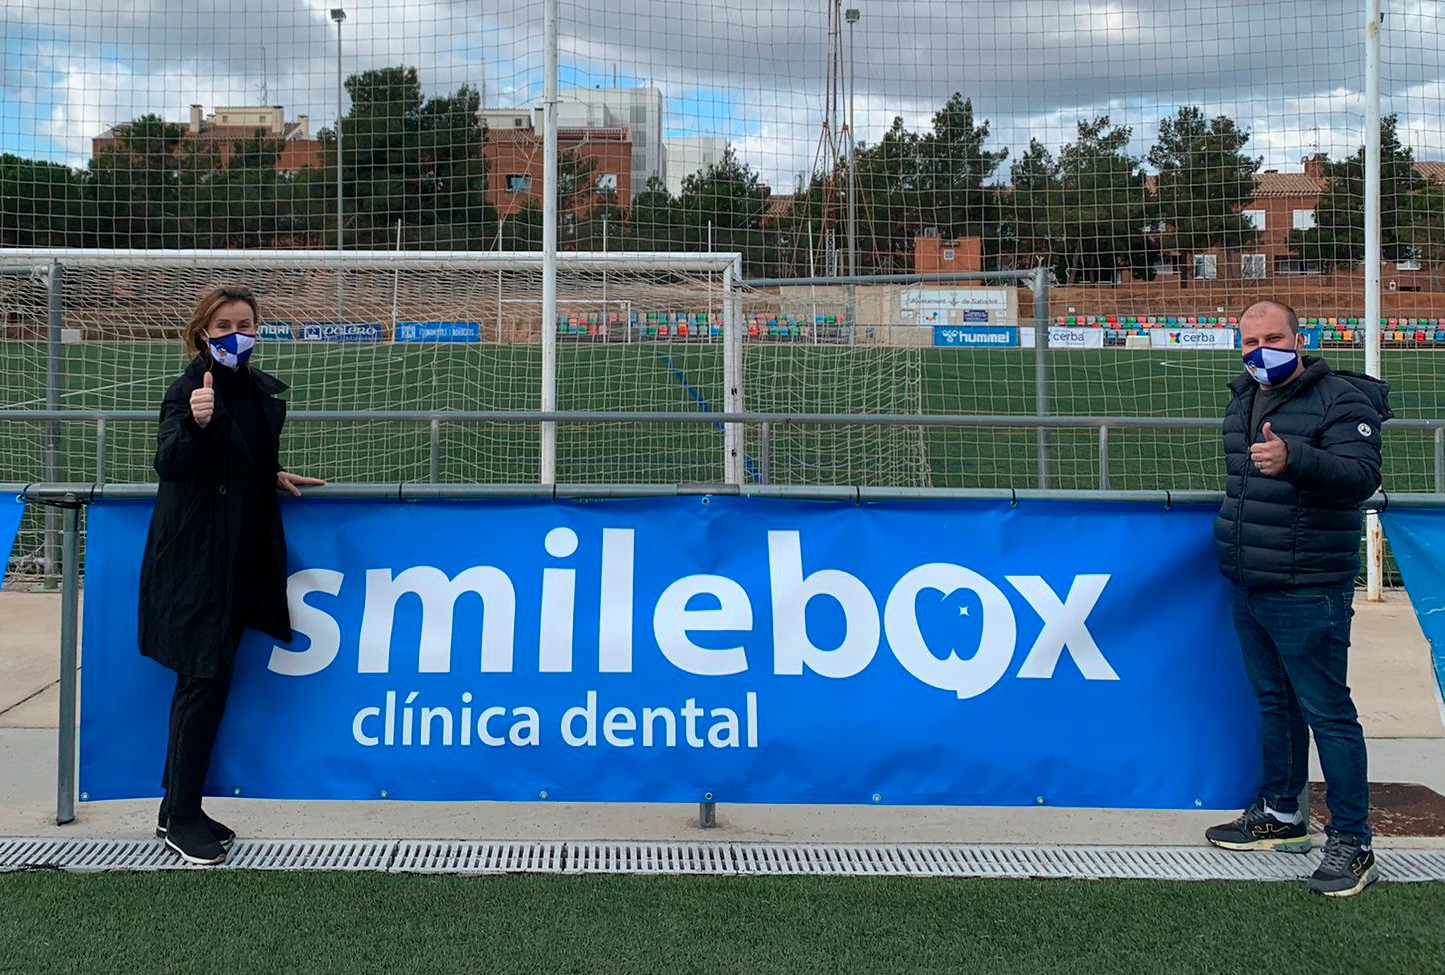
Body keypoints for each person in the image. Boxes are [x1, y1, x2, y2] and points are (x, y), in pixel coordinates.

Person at [1207, 299, 1391, 897]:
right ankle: (1281, 813)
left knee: (1328, 712)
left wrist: (1295, 459)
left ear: (1299, 339)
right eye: (1250, 341)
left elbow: (1360, 478)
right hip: (1251, 579)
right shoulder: (1244, 396)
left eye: (1273, 338)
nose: (1261, 351)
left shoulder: (1342, 399)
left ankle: (1353, 841)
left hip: (1310, 585)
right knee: (1275, 702)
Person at [137, 285, 326, 865]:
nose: (235, 334)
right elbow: (171, 462)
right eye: (223, 326)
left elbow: (243, 453)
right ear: (203, 333)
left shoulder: (258, 391)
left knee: (213, 680)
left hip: (240, 557)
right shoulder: (189, 391)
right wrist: (196, 425)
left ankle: (178, 807)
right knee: (201, 680)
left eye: (244, 324)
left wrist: (270, 473)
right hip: (197, 561)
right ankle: (181, 815)